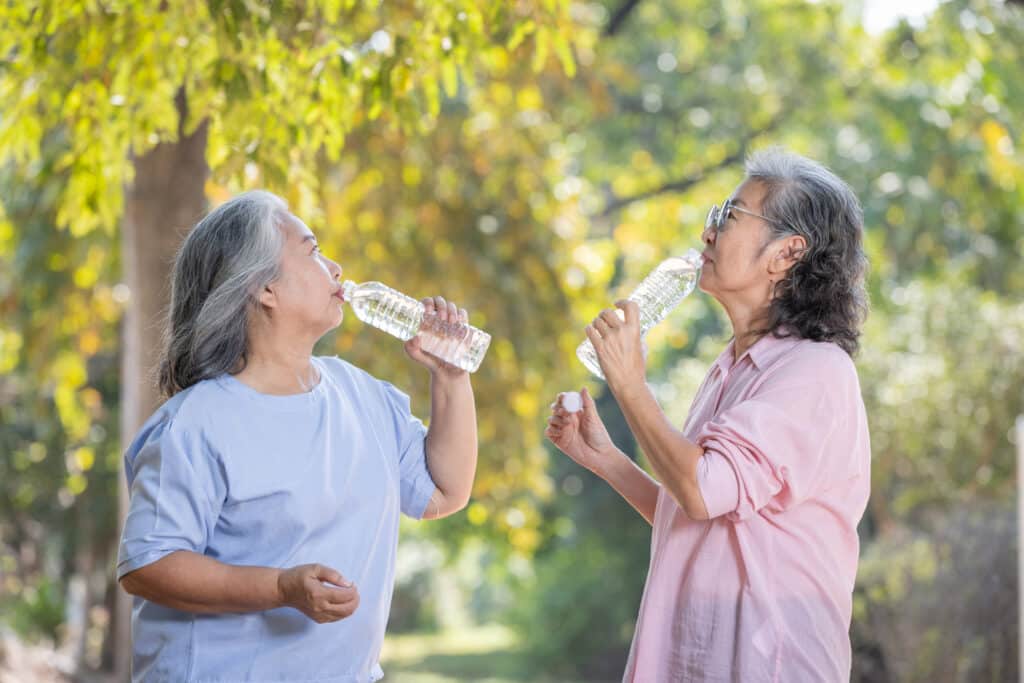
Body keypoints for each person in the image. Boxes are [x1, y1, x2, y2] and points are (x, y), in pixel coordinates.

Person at [117, 190, 478, 682]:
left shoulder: (361, 395)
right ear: (265, 288)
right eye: (312, 251)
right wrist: (282, 588)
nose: (336, 268)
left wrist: (452, 378)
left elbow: (443, 491)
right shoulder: (196, 424)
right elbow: (149, 565)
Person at [546, 148, 871, 682]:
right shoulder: (732, 369)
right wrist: (608, 460)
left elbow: (701, 490)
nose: (708, 233)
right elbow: (699, 516)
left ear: (787, 253)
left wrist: (630, 386)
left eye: (730, 216)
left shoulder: (815, 372)